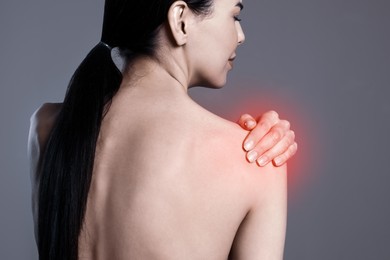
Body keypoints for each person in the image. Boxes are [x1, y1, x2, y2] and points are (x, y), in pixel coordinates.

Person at [28, 0, 297, 259]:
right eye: (234, 16)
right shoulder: (255, 159)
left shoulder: (46, 127)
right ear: (180, 20)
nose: (240, 36)